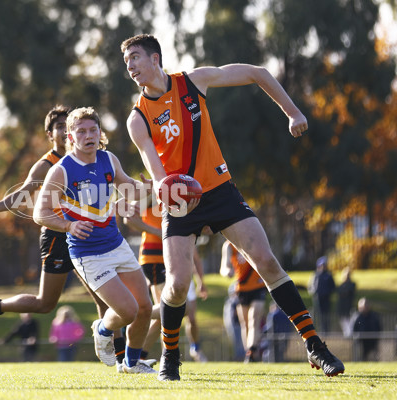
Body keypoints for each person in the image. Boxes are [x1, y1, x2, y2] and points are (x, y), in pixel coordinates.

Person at [120, 34, 344, 380]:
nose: (131, 66)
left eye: (135, 57)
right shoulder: (137, 119)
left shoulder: (194, 81)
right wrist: (167, 187)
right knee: (178, 285)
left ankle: (315, 346)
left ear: (155, 58)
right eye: (126, 62)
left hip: (221, 192)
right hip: (180, 201)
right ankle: (171, 355)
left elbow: (258, 73)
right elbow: (159, 174)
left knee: (267, 261)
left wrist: (293, 112)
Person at [0, 106, 108, 339]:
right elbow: (24, 191)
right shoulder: (47, 164)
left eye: (67, 126)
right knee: (45, 304)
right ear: (49, 134)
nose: (64, 131)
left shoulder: (88, 157)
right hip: (57, 234)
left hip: (85, 232)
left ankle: (120, 352)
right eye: (59, 127)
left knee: (104, 293)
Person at [33, 106, 156, 374]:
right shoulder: (61, 170)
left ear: (100, 132)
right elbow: (39, 214)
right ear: (70, 136)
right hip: (88, 255)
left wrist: (143, 188)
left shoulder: (108, 159)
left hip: (116, 245)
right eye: (81, 131)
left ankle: (131, 365)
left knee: (145, 306)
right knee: (128, 310)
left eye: (93, 130)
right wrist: (68, 225)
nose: (88, 135)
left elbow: (126, 188)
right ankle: (101, 329)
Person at [123, 199, 208, 364]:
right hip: (153, 258)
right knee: (176, 308)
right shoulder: (152, 194)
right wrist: (163, 232)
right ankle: (131, 316)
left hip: (171, 259)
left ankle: (139, 358)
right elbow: (129, 219)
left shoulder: (181, 198)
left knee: (165, 315)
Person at [220, 239, 267, 362]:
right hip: (242, 288)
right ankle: (250, 353)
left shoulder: (254, 238)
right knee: (245, 324)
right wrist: (227, 272)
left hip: (258, 286)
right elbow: (224, 267)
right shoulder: (229, 245)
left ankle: (253, 349)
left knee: (254, 319)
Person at [308, 256, 336, 333]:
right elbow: (310, 287)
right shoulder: (315, 275)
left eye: (324, 265)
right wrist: (314, 292)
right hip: (317, 298)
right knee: (318, 315)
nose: (323, 266)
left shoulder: (329, 275)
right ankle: (319, 330)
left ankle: (326, 330)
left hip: (326, 298)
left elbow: (333, 287)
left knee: (326, 315)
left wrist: (328, 292)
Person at [351, 297, 382, 361]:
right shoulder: (356, 316)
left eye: (367, 306)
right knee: (361, 356)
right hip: (361, 341)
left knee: (374, 356)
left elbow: (379, 327)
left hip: (372, 340)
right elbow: (353, 328)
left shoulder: (374, 316)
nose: (365, 308)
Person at [223, 283, 245, 361]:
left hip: (238, 324)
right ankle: (240, 356)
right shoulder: (232, 301)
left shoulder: (235, 300)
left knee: (240, 341)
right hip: (235, 324)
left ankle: (242, 356)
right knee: (237, 342)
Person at [337, 267, 356, 337]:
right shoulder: (341, 285)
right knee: (343, 320)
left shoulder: (352, 284)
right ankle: (347, 334)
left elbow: (349, 292)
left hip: (349, 305)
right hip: (342, 305)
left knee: (349, 320)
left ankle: (349, 334)